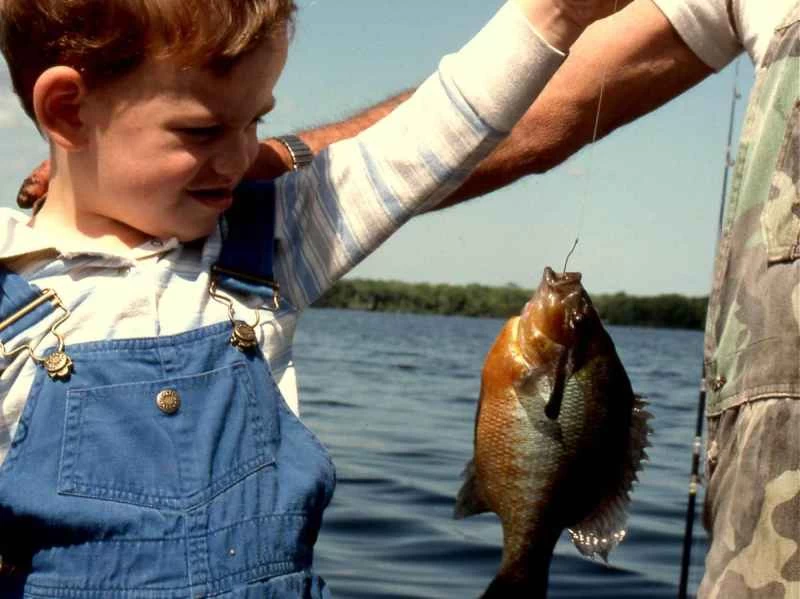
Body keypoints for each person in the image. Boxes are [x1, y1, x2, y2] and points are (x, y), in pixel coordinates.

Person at [9, 2, 797, 598]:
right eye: (204, 128)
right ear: (68, 111)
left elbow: (433, 131)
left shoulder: (272, 242)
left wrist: (551, 15)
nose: (245, 157)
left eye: (257, 121)